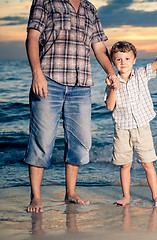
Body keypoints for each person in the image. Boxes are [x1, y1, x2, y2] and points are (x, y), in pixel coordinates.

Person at [24, 0, 118, 213]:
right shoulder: (45, 2)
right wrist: (36, 74)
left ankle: (71, 193)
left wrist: (111, 73)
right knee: (42, 139)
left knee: (80, 141)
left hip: (81, 85)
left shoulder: (89, 8)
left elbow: (99, 47)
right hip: (49, 80)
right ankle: (36, 197)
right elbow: (32, 37)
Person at [104, 27, 157, 207]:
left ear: (134, 60)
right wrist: (114, 88)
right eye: (119, 60)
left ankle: (156, 197)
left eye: (127, 59)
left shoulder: (141, 75)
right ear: (113, 62)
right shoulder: (112, 82)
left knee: (148, 164)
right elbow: (109, 106)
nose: (123, 63)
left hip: (142, 127)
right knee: (125, 165)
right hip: (121, 129)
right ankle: (126, 196)